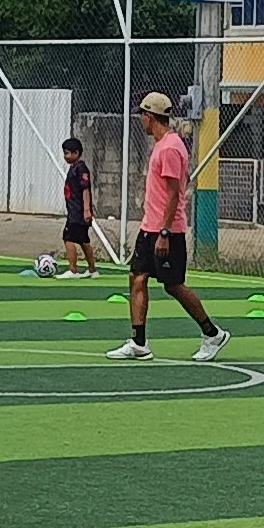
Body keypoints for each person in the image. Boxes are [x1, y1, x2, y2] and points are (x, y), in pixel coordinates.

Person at [110, 93, 228, 363]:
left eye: (142, 115)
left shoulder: (171, 148)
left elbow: (175, 194)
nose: (141, 120)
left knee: (173, 285)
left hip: (167, 231)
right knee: (137, 277)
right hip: (149, 227)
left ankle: (213, 334)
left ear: (150, 117)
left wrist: (164, 233)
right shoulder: (161, 145)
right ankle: (139, 343)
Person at [56, 136, 99, 279]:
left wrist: (86, 210)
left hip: (78, 212)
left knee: (68, 238)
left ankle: (73, 270)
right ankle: (92, 269)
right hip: (75, 211)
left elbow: (85, 189)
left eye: (67, 153)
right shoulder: (74, 168)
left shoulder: (81, 169)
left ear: (76, 153)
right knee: (83, 240)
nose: (65, 156)